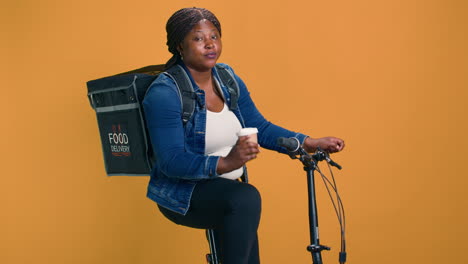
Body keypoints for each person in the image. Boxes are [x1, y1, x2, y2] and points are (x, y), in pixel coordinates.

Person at [142, 7, 345, 264]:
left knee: (243, 213)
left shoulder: (226, 79)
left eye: (214, 36)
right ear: (179, 46)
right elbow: (170, 161)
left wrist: (308, 142)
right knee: (245, 198)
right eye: (198, 38)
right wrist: (226, 163)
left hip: (227, 193)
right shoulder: (164, 93)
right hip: (182, 193)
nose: (209, 44)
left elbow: (259, 126)